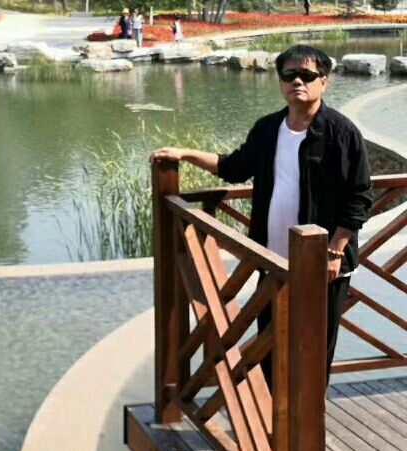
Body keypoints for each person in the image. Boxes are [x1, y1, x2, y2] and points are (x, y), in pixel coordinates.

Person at [150, 44, 373, 390]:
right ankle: (274, 416)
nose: (297, 81)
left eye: (306, 75)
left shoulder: (341, 133)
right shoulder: (268, 128)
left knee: (314, 351)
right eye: (289, 74)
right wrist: (185, 153)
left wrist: (334, 251)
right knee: (270, 348)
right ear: (280, 81)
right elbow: (233, 168)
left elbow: (359, 197)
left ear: (323, 81)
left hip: (322, 266)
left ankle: (310, 421)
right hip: (271, 261)